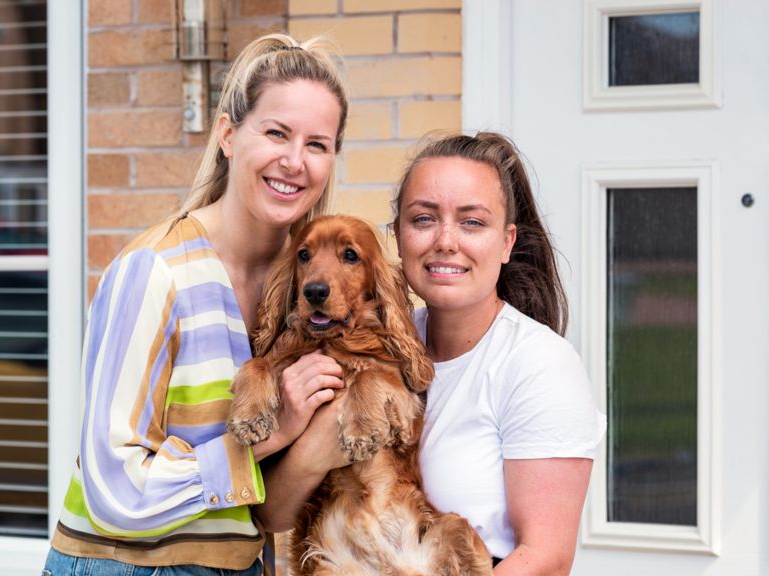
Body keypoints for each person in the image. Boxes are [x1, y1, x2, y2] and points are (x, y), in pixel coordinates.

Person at [43, 33, 350, 576]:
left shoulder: (305, 292)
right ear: (229, 135)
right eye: (276, 132)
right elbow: (116, 487)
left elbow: (265, 507)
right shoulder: (154, 271)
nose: (294, 161)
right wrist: (269, 434)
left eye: (317, 144)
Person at [258, 132, 605, 575]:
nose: (445, 240)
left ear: (506, 242)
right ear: (397, 240)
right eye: (423, 220)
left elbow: (546, 559)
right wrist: (315, 449)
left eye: (472, 222)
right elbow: (273, 517)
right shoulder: (368, 344)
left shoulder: (540, 364)